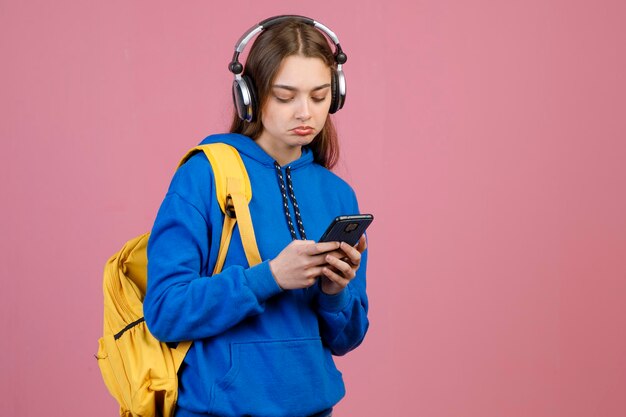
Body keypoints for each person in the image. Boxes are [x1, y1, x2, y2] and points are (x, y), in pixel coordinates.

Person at [143, 15, 369, 417]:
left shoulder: (338, 195)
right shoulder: (204, 175)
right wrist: (270, 278)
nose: (305, 113)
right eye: (286, 97)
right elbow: (164, 310)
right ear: (249, 96)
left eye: (319, 97)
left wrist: (335, 294)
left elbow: (347, 339)